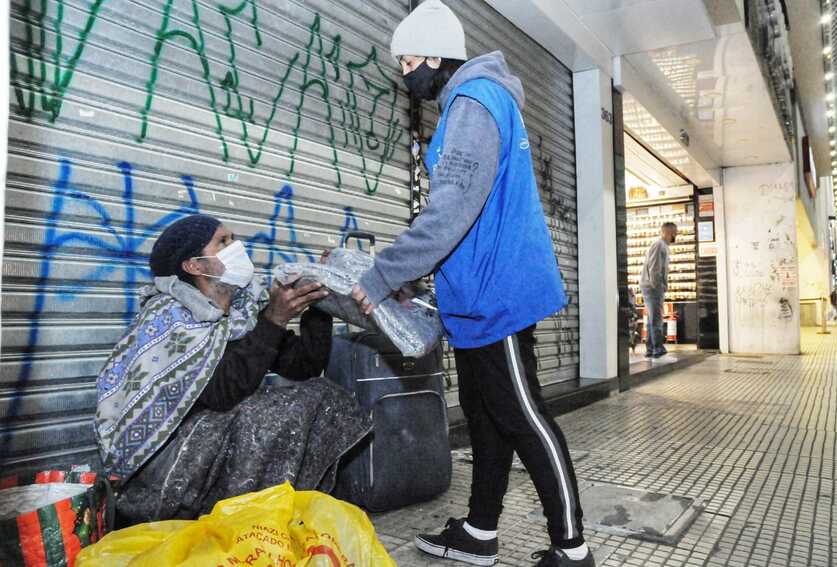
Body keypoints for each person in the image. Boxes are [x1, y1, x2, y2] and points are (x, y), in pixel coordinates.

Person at [350, 2, 592, 565]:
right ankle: (481, 532)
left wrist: (387, 273)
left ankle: (573, 549)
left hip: (496, 294)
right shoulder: (478, 101)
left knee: (522, 415)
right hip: (479, 292)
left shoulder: (473, 102)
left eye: (409, 60)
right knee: (487, 416)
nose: (405, 73)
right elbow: (468, 217)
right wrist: (419, 278)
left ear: (435, 56)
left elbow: (451, 210)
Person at [95, 214, 371, 524]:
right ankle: (245, 520)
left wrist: (319, 301)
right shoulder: (171, 316)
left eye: (233, 238)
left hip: (208, 448)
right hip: (162, 471)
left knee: (323, 396)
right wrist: (275, 319)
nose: (236, 246)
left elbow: (303, 366)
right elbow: (221, 394)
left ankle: (275, 515)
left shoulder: (240, 314)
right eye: (222, 242)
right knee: (268, 413)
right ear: (195, 266)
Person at [639, 222, 677, 358]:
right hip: (652, 287)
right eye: (675, 233)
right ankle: (657, 348)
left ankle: (651, 348)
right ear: (669, 232)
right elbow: (654, 268)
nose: (676, 236)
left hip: (651, 286)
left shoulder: (663, 246)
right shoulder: (659, 245)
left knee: (652, 318)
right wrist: (659, 287)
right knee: (656, 318)